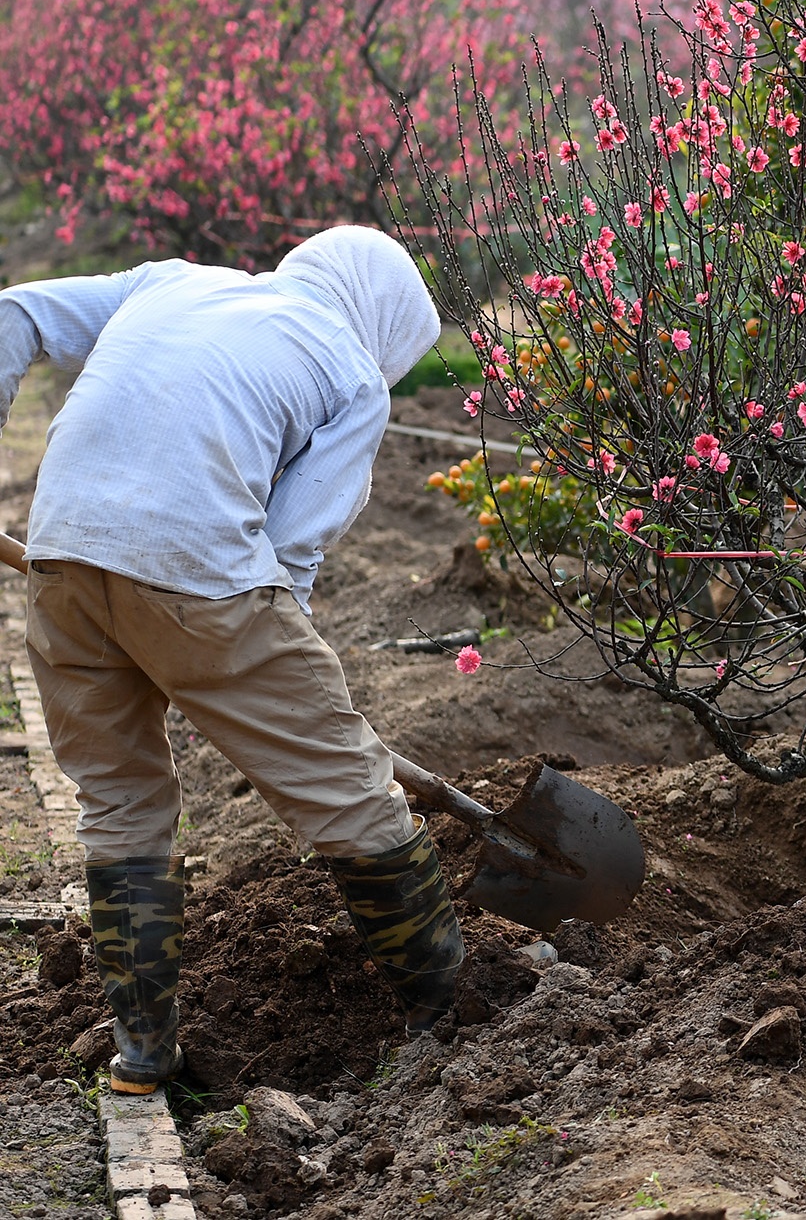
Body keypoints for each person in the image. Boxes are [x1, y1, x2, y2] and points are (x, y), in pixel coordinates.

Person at [0, 228, 463, 1093]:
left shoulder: (167, 282)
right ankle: (449, 1009)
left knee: (118, 796)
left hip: (61, 554)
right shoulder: (354, 374)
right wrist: (291, 694)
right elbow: (291, 554)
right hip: (200, 574)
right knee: (347, 783)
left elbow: (15, 311)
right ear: (385, 322)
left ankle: (142, 1051)